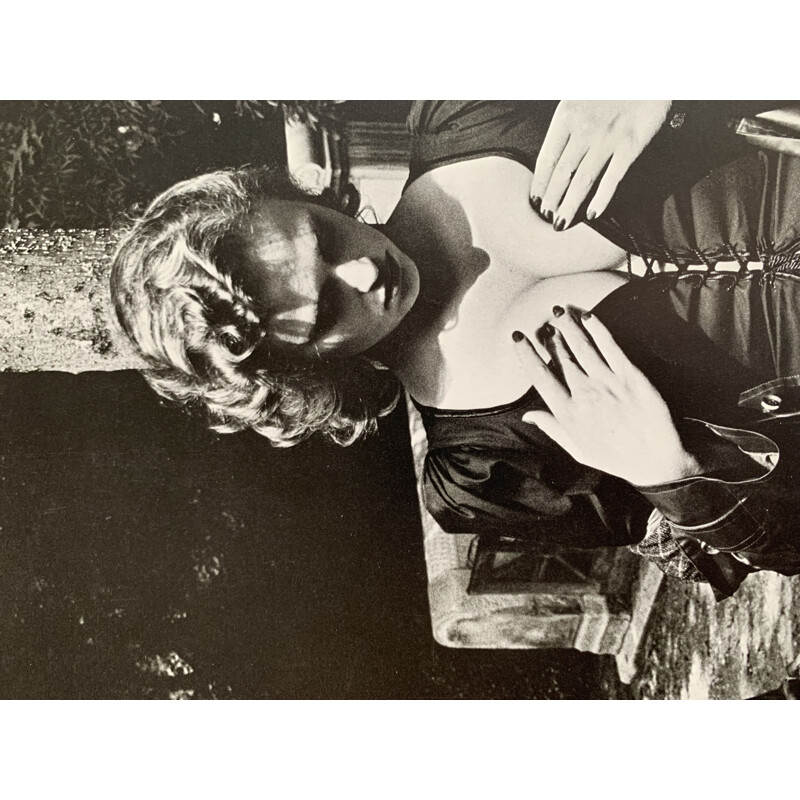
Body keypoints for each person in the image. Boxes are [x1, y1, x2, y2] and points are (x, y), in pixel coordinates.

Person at [111, 100, 800, 600]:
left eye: (322, 239)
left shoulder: (468, 108)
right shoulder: (479, 470)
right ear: (310, 368)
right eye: (327, 310)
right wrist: (675, 475)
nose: (364, 273)